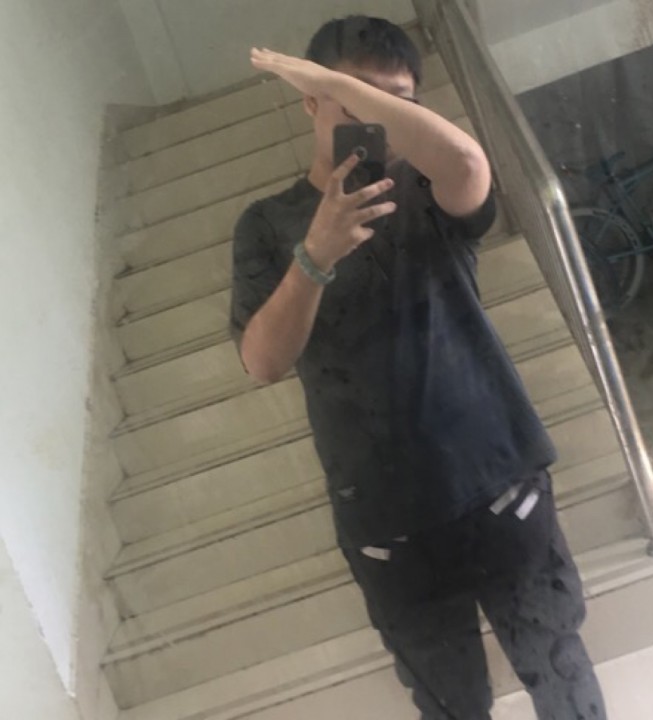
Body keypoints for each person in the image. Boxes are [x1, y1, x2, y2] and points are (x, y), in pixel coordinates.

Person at [230, 15, 607, 720]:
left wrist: (344, 87)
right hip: (384, 519)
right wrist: (314, 258)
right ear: (310, 101)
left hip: (499, 478)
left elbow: (467, 162)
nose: (374, 117)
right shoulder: (267, 225)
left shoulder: (431, 185)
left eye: (395, 101)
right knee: (451, 707)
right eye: (352, 95)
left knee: (562, 679)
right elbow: (262, 362)